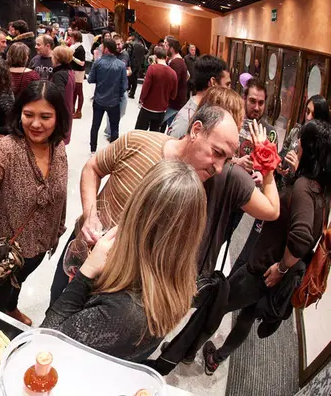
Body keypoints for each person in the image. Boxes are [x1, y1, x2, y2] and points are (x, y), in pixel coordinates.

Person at [50, 104, 280, 305]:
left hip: (122, 285)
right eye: (216, 153)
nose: (218, 167)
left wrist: (267, 165)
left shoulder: (201, 189)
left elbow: (271, 210)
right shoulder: (138, 141)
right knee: (56, 309)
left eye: (226, 159)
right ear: (196, 130)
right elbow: (93, 168)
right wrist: (91, 215)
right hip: (84, 251)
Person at [202, 120, 331, 375]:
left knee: (219, 303)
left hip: (264, 270)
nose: (298, 147)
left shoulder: (305, 187)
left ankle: (183, 349)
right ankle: (217, 357)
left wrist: (281, 268)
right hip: (272, 273)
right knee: (247, 315)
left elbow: (302, 238)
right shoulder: (322, 190)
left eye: (302, 143)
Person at [43, 160, 206, 362]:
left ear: (135, 211)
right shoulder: (179, 282)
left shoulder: (124, 312)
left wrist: (86, 274)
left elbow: (44, 347)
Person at [0, 81, 69, 326]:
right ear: (19, 114)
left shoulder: (58, 146)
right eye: (28, 115)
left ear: (58, 117)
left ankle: (12, 307)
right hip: (6, 250)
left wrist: (59, 227)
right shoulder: (5, 149)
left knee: (21, 281)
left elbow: (61, 192)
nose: (36, 124)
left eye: (45, 116)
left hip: (41, 244)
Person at [167, 55, 231, 138]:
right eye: (227, 84)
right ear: (213, 82)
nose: (229, 89)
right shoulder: (186, 120)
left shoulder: (207, 111)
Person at [277, 95, 330, 182]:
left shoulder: (321, 144)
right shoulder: (296, 131)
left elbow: (316, 183)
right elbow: (284, 151)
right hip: (282, 187)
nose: (309, 117)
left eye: (314, 115)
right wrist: (279, 163)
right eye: (307, 112)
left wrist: (297, 168)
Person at [88, 38, 128, 153]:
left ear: (105, 49)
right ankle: (113, 152)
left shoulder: (98, 63)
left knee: (95, 125)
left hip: (99, 99)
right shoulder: (121, 65)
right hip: (114, 101)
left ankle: (93, 150)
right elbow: (124, 85)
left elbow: (90, 79)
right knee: (114, 127)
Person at [233, 79, 278, 173]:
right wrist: (237, 162)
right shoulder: (233, 124)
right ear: (244, 98)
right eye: (252, 101)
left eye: (261, 103)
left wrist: (262, 175)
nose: (257, 108)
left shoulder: (270, 132)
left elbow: (272, 169)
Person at [136, 46, 178, 132]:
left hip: (148, 107)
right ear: (166, 58)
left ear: (155, 57)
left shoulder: (152, 69)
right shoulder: (173, 73)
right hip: (161, 110)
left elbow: (145, 88)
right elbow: (173, 95)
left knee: (139, 133)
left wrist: (141, 99)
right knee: (154, 134)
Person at [51, 46, 76, 143]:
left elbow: (58, 96)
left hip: (60, 115)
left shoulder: (59, 75)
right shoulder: (70, 72)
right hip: (67, 112)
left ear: (57, 58)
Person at [165, 36, 189, 127]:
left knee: (171, 127)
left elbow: (172, 83)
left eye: (166, 45)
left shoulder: (176, 63)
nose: (164, 48)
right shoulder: (177, 61)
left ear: (171, 49)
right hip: (175, 101)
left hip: (174, 103)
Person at [69, 31, 87, 119]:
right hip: (75, 70)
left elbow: (82, 63)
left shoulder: (80, 49)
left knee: (79, 91)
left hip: (79, 71)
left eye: (72, 37)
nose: (70, 39)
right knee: (74, 91)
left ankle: (79, 111)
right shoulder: (75, 47)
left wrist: (72, 57)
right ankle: (72, 109)